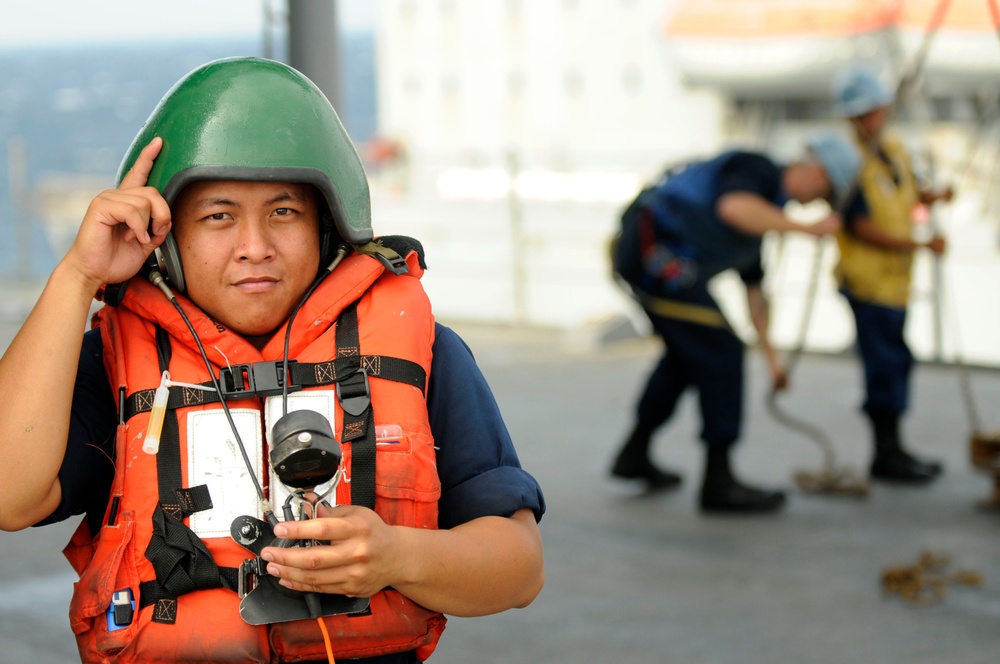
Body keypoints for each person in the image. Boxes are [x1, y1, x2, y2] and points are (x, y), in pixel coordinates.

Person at [0, 57, 544, 664]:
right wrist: (79, 275)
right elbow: (10, 496)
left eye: (284, 213)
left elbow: (518, 569)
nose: (254, 248)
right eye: (217, 216)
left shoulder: (423, 353)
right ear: (167, 235)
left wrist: (395, 555)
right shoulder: (113, 363)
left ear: (326, 230)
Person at [609, 135, 861, 513]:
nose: (820, 201)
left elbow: (755, 295)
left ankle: (635, 453)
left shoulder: (767, 213)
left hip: (666, 268)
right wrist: (806, 230)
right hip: (653, 259)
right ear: (817, 171)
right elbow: (733, 208)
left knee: (685, 358)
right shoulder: (756, 170)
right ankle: (719, 481)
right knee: (721, 350)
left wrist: (773, 361)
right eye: (826, 190)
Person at [832, 65, 952, 484]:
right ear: (853, 116)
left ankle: (894, 448)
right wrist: (921, 246)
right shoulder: (846, 161)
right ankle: (886, 454)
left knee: (897, 361)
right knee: (885, 364)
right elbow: (860, 224)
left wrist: (934, 197)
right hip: (868, 282)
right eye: (866, 112)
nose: (875, 118)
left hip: (896, 282)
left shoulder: (894, 148)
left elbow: (906, 192)